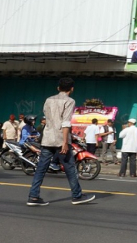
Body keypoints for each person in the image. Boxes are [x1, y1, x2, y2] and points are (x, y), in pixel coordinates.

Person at [27, 77, 95, 206]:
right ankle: (77, 195)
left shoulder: (49, 100)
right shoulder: (69, 101)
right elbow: (65, 122)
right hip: (60, 139)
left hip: (47, 138)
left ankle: (33, 196)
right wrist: (65, 142)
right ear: (72, 89)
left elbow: (47, 117)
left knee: (41, 169)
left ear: (58, 88)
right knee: (70, 168)